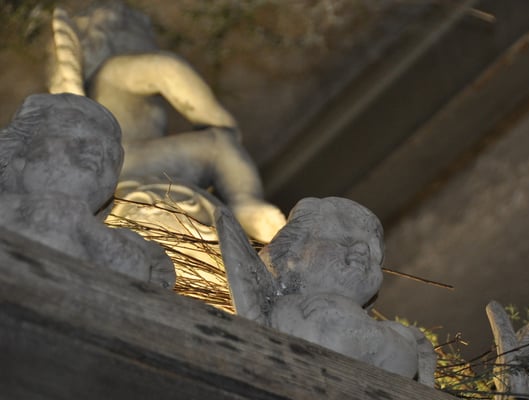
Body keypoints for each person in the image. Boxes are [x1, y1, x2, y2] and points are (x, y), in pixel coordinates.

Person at [49, 3, 285, 243]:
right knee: (219, 143)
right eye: (139, 32)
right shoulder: (111, 71)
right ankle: (245, 201)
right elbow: (167, 69)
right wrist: (217, 120)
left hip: (116, 179)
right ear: (109, 36)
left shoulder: (86, 103)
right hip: (128, 162)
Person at [206, 194, 436, 385]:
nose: (363, 251)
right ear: (292, 256)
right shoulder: (286, 310)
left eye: (375, 255)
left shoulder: (399, 335)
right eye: (343, 240)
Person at [0, 93, 175, 288]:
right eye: (74, 136)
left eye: (111, 155)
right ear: (18, 155)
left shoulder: (145, 254)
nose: (96, 151)